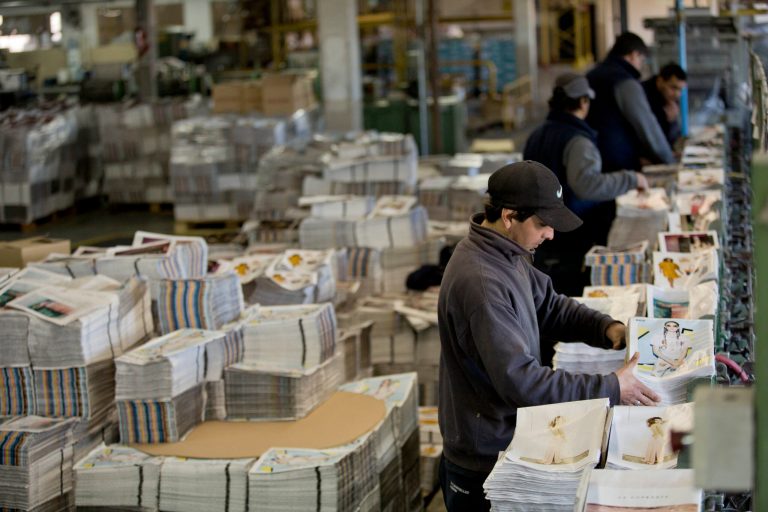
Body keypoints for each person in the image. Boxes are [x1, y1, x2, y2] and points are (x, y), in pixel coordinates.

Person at [437, 161, 660, 512]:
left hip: (507, 435)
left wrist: (607, 329)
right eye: (542, 224)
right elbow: (521, 381)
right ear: (509, 216)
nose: (551, 235)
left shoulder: (508, 253)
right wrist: (610, 386)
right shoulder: (481, 282)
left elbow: (551, 307)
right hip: (483, 463)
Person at [524, 72, 649, 296]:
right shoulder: (578, 140)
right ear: (583, 102)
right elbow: (587, 185)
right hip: (572, 235)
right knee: (570, 296)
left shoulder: (537, 134)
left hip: (540, 232)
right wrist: (631, 179)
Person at [586, 32, 675, 173]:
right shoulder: (625, 82)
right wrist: (670, 161)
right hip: (618, 162)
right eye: (641, 60)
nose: (640, 65)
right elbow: (646, 125)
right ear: (634, 55)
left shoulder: (591, 75)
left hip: (590, 158)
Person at [643, 63, 688, 148]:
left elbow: (674, 138)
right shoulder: (642, 94)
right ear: (660, 81)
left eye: (680, 89)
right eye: (673, 87)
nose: (677, 94)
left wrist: (672, 122)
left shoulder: (670, 98)